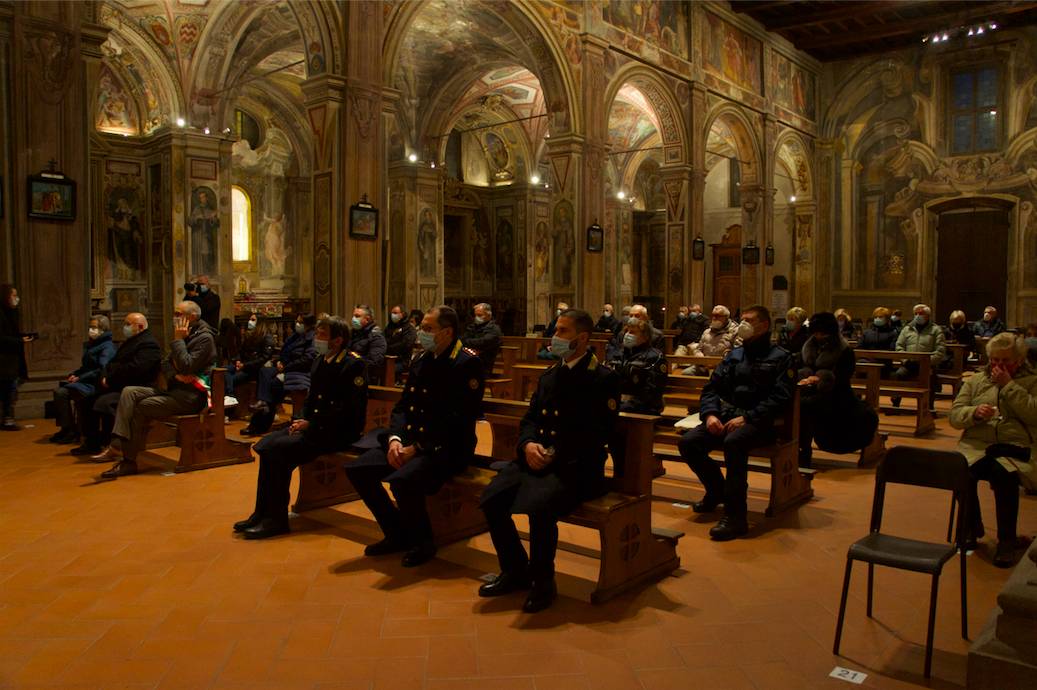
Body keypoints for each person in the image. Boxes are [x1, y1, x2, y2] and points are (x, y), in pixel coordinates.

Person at [478, 309, 620, 612]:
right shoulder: (550, 375)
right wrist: (528, 444)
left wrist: (552, 452)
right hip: (536, 458)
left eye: (562, 332)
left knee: (540, 508)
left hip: (576, 468)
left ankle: (544, 583)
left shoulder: (601, 379)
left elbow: (597, 432)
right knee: (492, 498)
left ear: (582, 338)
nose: (554, 338)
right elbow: (530, 419)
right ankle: (515, 570)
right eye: (556, 331)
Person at [345, 306, 485, 566]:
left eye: (428, 328)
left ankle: (423, 542)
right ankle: (396, 532)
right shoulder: (422, 359)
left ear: (447, 332)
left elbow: (459, 419)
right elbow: (403, 406)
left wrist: (418, 448)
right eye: (422, 328)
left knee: (402, 481)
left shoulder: (467, 363)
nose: (422, 333)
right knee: (359, 469)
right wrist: (396, 439)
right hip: (411, 441)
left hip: (446, 448)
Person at [235, 316, 368, 539]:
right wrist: (300, 419)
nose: (317, 338)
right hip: (315, 427)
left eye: (322, 335)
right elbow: (310, 399)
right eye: (316, 333)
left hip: (338, 432)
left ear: (338, 340)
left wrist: (312, 423)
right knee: (269, 447)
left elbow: (348, 409)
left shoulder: (353, 364)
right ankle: (262, 513)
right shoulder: (320, 360)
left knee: (278, 452)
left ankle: (275, 520)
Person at [676, 305, 794, 540]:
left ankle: (736, 516)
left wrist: (748, 417)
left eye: (749, 321)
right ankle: (716, 490)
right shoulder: (734, 355)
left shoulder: (780, 357)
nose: (743, 325)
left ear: (764, 325)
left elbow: (781, 398)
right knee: (689, 443)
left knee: (734, 442)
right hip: (727, 417)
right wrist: (710, 415)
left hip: (761, 422)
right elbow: (711, 388)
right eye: (742, 320)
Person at [98, 301, 216, 479]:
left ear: (191, 317)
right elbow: (165, 362)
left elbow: (186, 365)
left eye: (178, 314)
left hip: (189, 397)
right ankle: (117, 443)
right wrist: (174, 376)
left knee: (139, 407)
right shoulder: (187, 333)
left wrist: (178, 341)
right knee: (130, 392)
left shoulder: (204, 338)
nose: (175, 318)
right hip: (174, 389)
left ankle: (127, 459)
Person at [949, 332, 1036, 567]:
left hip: (1015, 448)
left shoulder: (1033, 381)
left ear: (1018, 360)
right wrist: (974, 414)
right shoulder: (976, 380)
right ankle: (970, 527)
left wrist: (1009, 386)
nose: (999, 366)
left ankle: (1006, 541)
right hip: (977, 446)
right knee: (961, 470)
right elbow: (955, 416)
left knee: (1003, 475)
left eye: (1005, 361)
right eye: (995, 360)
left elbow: (1034, 414)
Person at [73, 313, 161, 456]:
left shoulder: (149, 344)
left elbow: (135, 369)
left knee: (105, 403)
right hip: (118, 384)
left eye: (128, 324)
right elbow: (111, 364)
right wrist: (105, 376)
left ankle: (112, 444)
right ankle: (92, 442)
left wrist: (111, 379)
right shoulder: (129, 341)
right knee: (86, 399)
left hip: (135, 387)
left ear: (139, 326)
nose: (124, 327)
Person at [796, 312, 877, 468]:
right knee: (798, 405)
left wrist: (820, 379)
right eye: (816, 333)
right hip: (809, 390)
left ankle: (804, 452)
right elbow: (801, 365)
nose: (819, 336)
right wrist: (805, 378)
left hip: (836, 393)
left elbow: (843, 376)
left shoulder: (843, 350)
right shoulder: (809, 346)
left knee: (807, 407)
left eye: (822, 333)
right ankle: (801, 449)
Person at [243, 313, 317, 436]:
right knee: (264, 372)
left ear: (308, 324)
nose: (297, 324)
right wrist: (279, 362)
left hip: (298, 371)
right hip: (285, 367)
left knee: (272, 388)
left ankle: (262, 416)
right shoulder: (294, 336)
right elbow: (285, 352)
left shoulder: (312, 339)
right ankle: (262, 403)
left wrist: (286, 367)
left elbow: (308, 359)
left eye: (300, 322)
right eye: (296, 321)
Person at [49, 316, 116, 444]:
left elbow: (102, 369)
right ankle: (67, 428)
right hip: (86, 380)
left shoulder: (107, 347)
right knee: (60, 392)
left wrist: (80, 377)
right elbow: (86, 367)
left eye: (94, 327)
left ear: (103, 329)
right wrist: (75, 374)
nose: (91, 330)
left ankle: (71, 430)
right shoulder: (93, 344)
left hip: (94, 383)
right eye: (90, 327)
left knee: (62, 393)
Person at [606, 316, 667, 414]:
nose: (627, 335)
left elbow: (652, 391)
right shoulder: (619, 354)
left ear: (645, 336)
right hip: (618, 403)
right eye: (627, 331)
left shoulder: (655, 357)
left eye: (632, 332)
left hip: (644, 407)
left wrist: (623, 405)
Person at [893, 304, 945, 403]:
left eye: (920, 313)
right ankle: (896, 403)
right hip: (909, 364)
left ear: (928, 315)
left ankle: (928, 407)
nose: (917, 316)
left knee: (930, 379)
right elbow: (899, 346)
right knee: (899, 374)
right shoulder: (907, 329)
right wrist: (906, 360)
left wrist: (927, 362)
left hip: (927, 365)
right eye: (915, 313)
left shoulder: (936, 330)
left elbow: (940, 351)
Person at [0, 285, 31, 430]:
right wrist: (19, 340)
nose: (16, 298)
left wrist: (24, 336)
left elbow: (12, 333)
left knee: (10, 389)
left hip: (12, 359)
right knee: (7, 389)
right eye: (13, 295)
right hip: (3, 359)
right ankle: (7, 419)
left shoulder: (13, 313)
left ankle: (8, 418)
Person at [681, 305, 740, 375]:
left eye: (718, 316)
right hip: (704, 365)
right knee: (685, 373)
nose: (714, 318)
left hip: (723, 366)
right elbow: (698, 349)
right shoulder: (707, 331)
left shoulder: (735, 331)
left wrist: (716, 364)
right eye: (713, 315)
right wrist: (701, 358)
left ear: (726, 317)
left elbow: (737, 352)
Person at [225, 314, 274, 396]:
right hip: (244, 365)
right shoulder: (250, 335)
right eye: (250, 319)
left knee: (230, 380)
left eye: (253, 320)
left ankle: (230, 396)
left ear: (260, 323)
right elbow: (241, 351)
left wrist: (244, 365)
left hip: (253, 369)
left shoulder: (267, 337)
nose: (249, 322)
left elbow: (263, 358)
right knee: (222, 371)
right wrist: (238, 360)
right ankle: (229, 396)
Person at [461, 302, 503, 375]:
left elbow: (482, 342)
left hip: (483, 364)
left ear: (489, 315)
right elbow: (462, 340)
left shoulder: (494, 329)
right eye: (475, 315)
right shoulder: (472, 327)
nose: (476, 318)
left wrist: (467, 343)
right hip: (468, 359)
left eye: (479, 315)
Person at [349, 304, 387, 381]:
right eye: (353, 316)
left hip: (365, 377)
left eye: (357, 316)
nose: (353, 319)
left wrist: (352, 361)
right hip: (349, 372)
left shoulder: (376, 337)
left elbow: (373, 362)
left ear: (367, 319)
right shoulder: (352, 333)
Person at [384, 304, 417, 374]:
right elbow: (383, 340)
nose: (392, 315)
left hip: (402, 361)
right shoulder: (389, 327)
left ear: (403, 314)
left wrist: (389, 347)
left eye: (395, 313)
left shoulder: (409, 329)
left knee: (387, 370)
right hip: (387, 358)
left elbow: (406, 345)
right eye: (392, 313)